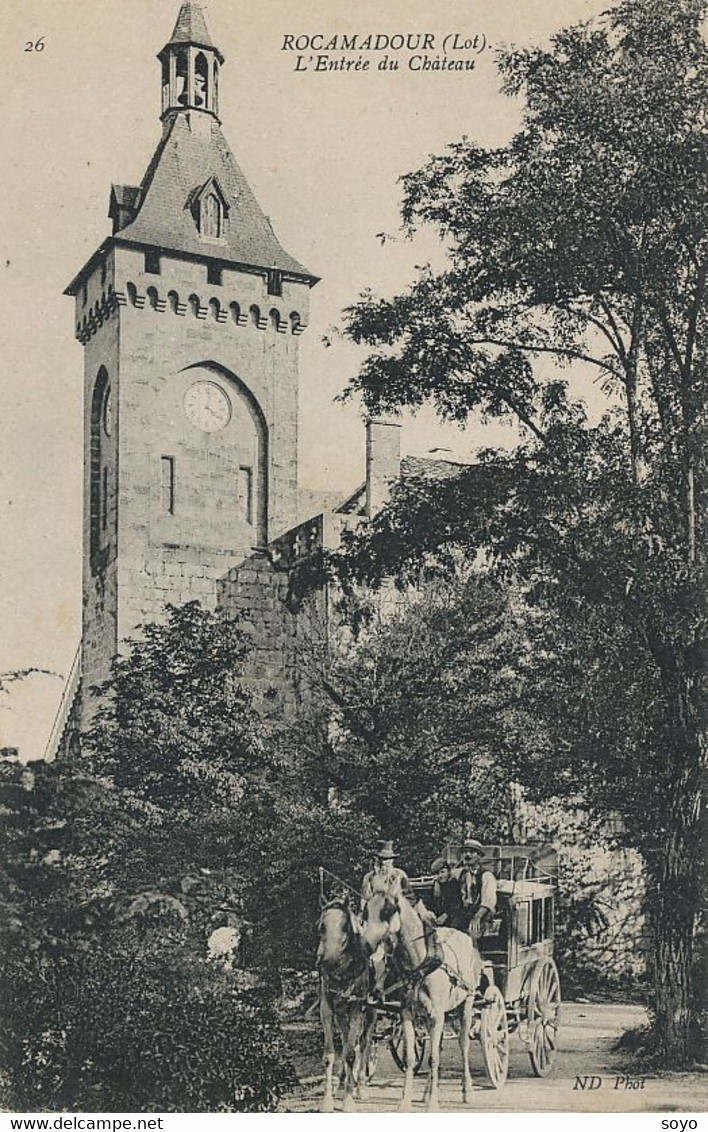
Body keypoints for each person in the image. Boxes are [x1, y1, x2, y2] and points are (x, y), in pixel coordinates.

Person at [454, 838, 497, 939]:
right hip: (464, 912)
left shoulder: (486, 876)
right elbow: (442, 875)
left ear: (479, 856)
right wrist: (437, 883)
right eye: (464, 852)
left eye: (472, 852)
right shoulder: (461, 873)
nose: (467, 855)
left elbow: (488, 902)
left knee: (472, 935)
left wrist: (477, 917)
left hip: (481, 915)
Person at [360, 840, 410, 906]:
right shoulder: (368, 878)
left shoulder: (400, 875)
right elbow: (364, 900)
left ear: (392, 860)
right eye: (381, 859)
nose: (383, 862)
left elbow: (410, 896)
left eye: (387, 859)